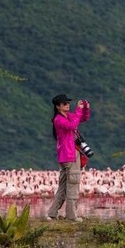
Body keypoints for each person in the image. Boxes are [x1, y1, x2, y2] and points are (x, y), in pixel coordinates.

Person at [46, 94, 90, 222]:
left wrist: (85, 108)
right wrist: (78, 110)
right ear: (58, 106)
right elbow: (72, 126)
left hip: (67, 155)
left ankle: (52, 213)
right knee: (73, 184)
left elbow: (83, 118)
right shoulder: (58, 119)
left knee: (64, 185)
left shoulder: (68, 116)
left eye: (68, 103)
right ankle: (71, 215)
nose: (67, 105)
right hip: (69, 155)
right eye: (65, 103)